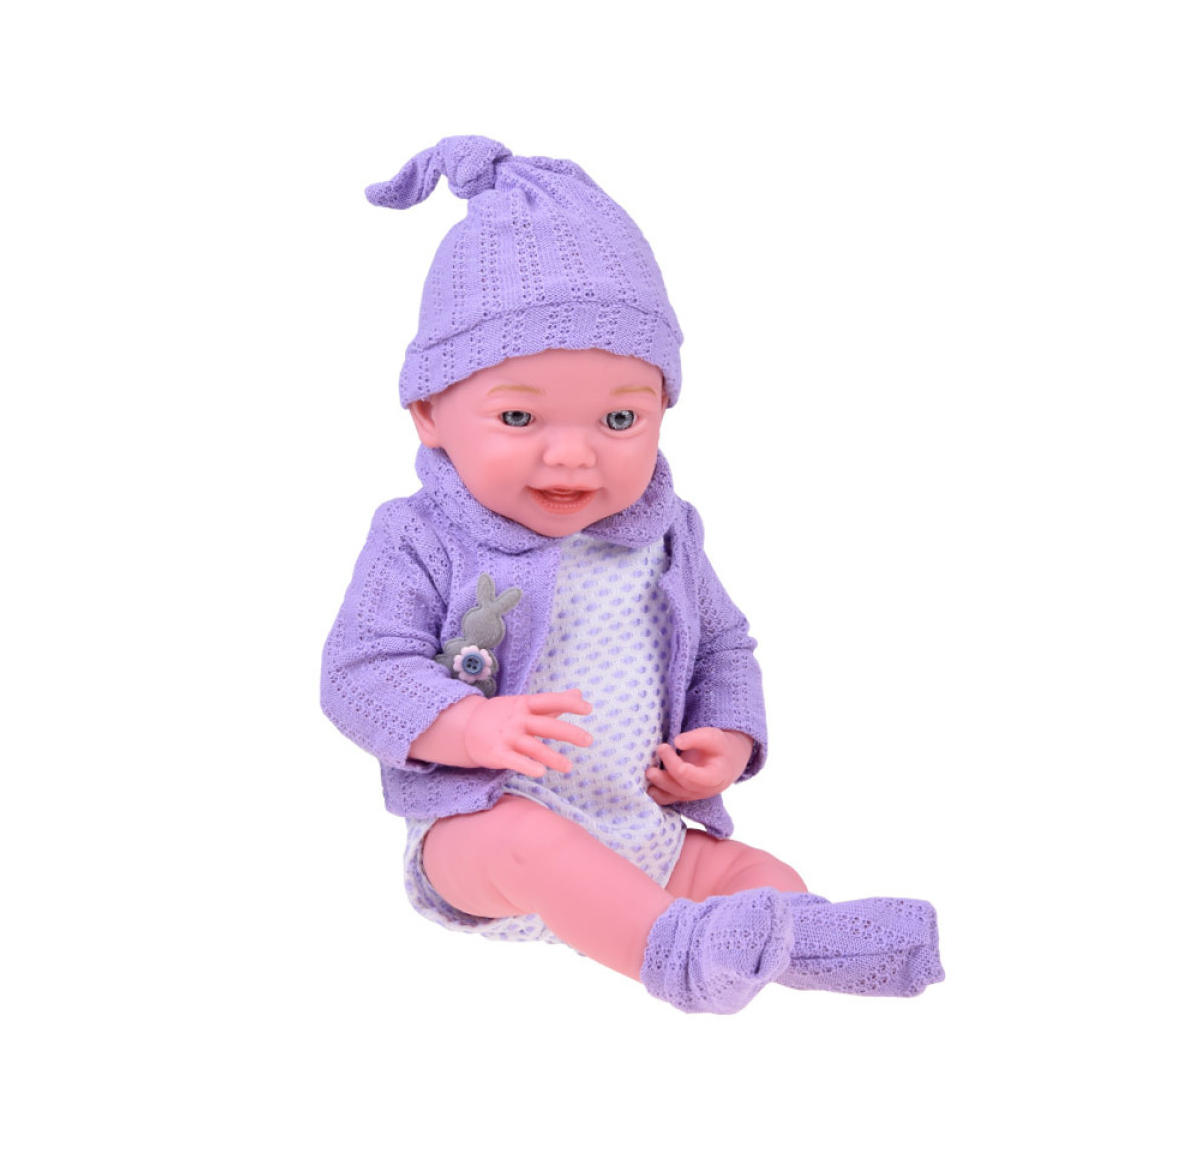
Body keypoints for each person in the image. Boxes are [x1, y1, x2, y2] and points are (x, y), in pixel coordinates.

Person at [321, 137, 944, 1013]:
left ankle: (802, 939)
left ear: (661, 409)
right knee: (531, 847)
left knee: (756, 876)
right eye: (519, 417)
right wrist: (466, 725)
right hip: (483, 834)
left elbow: (725, 645)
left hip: (647, 836)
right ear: (428, 412)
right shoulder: (423, 536)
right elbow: (359, 671)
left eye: (619, 419)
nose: (572, 455)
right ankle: (679, 957)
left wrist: (725, 741)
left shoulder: (665, 530)